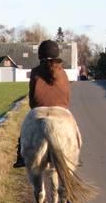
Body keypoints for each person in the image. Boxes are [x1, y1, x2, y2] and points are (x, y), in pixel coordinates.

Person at [14, 39, 71, 168]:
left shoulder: (35, 72)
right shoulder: (63, 73)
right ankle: (75, 153)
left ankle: (21, 157)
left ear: (40, 55)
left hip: (39, 110)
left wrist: (35, 107)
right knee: (74, 128)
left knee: (24, 129)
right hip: (61, 108)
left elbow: (33, 96)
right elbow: (67, 96)